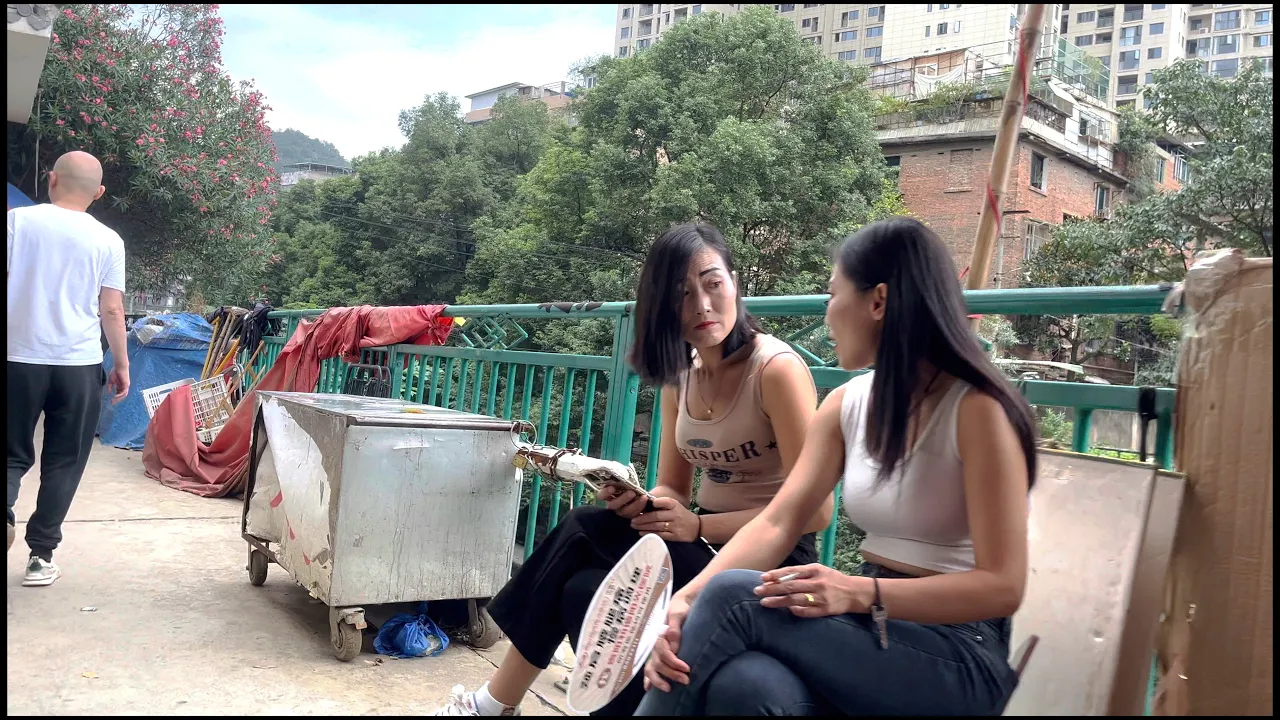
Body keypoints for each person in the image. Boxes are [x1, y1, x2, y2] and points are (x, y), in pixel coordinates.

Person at [637, 216, 1040, 716]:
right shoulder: (847, 405)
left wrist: (856, 591)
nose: (827, 315)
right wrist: (683, 606)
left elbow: (1004, 585)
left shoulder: (977, 411)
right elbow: (779, 521)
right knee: (744, 686)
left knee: (731, 597)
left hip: (958, 652)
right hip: (874, 630)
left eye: (832, 295)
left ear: (878, 302)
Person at [430, 223, 833, 716]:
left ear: (735, 283)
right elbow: (675, 487)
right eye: (683, 294)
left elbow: (815, 512)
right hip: (699, 539)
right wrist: (647, 504)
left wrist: (699, 525)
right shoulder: (679, 376)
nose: (703, 306)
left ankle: (490, 706)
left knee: (582, 529)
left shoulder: (776, 371)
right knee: (580, 588)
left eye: (713, 283)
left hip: (767, 559)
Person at [7, 151, 130, 585]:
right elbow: (112, 310)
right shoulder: (108, 240)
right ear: (98, 193)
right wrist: (121, 364)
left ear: (51, 179)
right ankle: (40, 557)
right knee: (64, 460)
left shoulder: (16, 222)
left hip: (16, 359)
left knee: (9, 452)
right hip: (78, 365)